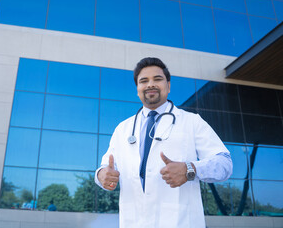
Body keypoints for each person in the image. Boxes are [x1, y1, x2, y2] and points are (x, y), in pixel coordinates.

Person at [95, 57, 233, 228]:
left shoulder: (192, 122)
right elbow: (105, 169)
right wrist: (101, 175)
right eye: (143, 81)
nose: (150, 84)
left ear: (168, 86)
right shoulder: (122, 129)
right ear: (137, 89)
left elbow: (225, 164)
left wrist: (190, 169)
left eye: (157, 79)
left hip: (180, 222)